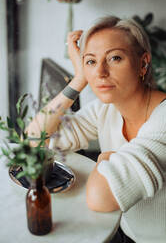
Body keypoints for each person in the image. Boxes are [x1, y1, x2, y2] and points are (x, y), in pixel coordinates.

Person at [26, 16, 166, 242]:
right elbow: (35, 140)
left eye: (115, 58)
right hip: (122, 231)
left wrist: (103, 159)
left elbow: (100, 198)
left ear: (143, 63)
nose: (100, 72)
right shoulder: (106, 108)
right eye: (91, 61)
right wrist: (78, 80)